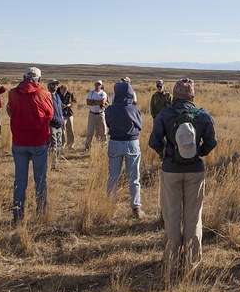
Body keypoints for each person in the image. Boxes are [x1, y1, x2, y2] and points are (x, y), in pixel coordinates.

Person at [149, 78, 217, 276]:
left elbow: (154, 140)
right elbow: (211, 142)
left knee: (171, 216)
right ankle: (192, 264)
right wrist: (199, 153)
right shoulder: (203, 116)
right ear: (192, 95)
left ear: (174, 95)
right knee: (193, 217)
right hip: (195, 170)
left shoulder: (166, 114)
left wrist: (165, 153)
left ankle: (171, 263)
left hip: (171, 170)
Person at [7, 67, 54, 223]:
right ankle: (41, 213)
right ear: (39, 79)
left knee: (20, 180)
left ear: (23, 77)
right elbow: (50, 115)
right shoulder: (44, 94)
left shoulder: (12, 94)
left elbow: (11, 111)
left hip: (19, 141)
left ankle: (18, 214)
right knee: (40, 179)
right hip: (39, 141)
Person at [105, 79, 143, 218]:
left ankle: (110, 208)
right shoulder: (135, 109)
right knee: (134, 178)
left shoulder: (110, 109)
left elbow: (108, 123)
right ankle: (136, 209)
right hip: (132, 143)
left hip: (115, 142)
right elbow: (139, 125)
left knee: (112, 177)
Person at [84, 80, 108, 150]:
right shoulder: (90, 93)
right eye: (96, 84)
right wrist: (98, 102)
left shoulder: (103, 93)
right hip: (92, 114)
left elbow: (103, 102)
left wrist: (93, 101)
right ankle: (87, 146)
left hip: (101, 114)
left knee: (103, 131)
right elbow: (88, 102)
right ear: (94, 85)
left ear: (101, 86)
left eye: (99, 84)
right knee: (90, 131)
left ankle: (104, 146)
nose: (97, 86)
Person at [47, 80, 66, 169]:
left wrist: (61, 118)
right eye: (54, 84)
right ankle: (53, 165)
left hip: (59, 124)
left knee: (59, 144)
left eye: (57, 84)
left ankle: (56, 163)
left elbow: (60, 107)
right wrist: (55, 119)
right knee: (53, 145)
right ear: (49, 85)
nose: (56, 86)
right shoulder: (47, 96)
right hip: (52, 124)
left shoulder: (57, 96)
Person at [57, 83, 77, 148]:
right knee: (62, 129)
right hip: (60, 114)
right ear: (60, 89)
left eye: (66, 91)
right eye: (63, 91)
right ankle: (63, 144)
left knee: (70, 129)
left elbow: (74, 101)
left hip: (69, 113)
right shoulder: (56, 94)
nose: (64, 93)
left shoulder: (69, 93)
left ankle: (71, 144)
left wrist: (69, 105)